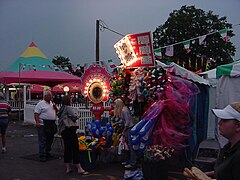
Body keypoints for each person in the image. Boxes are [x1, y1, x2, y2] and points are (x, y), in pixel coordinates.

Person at [57, 95, 88, 175]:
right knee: (75, 147)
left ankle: (68, 167)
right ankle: (79, 167)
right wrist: (78, 115)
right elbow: (74, 116)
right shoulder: (68, 108)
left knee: (67, 148)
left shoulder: (62, 108)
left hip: (64, 130)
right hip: (70, 129)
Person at [34, 90, 58, 162]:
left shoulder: (52, 103)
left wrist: (55, 107)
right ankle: (42, 154)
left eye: (51, 96)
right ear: (45, 96)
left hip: (51, 123)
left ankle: (47, 151)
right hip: (43, 123)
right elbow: (36, 113)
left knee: (50, 138)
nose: (51, 97)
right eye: (49, 96)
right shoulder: (40, 104)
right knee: (43, 139)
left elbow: (57, 111)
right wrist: (37, 122)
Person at [113, 98, 137, 168]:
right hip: (127, 128)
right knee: (126, 146)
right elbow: (123, 120)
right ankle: (128, 160)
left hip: (129, 129)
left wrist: (123, 131)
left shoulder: (124, 110)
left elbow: (127, 122)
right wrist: (116, 123)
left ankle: (132, 163)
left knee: (130, 146)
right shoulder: (123, 110)